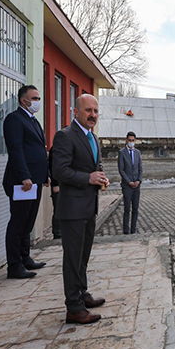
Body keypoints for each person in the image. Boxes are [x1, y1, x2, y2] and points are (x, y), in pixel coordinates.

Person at [51, 94, 108, 325]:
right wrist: (89, 178)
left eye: (95, 111)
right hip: (72, 209)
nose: (92, 115)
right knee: (73, 258)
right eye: (88, 110)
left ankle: (81, 294)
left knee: (83, 257)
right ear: (76, 112)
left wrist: (100, 178)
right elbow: (59, 171)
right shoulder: (65, 136)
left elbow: (94, 167)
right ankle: (73, 307)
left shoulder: (92, 137)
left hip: (88, 207)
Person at [2, 85, 49, 279]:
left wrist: (45, 174)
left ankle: (25, 257)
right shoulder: (14, 119)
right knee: (18, 222)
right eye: (35, 98)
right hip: (23, 182)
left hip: (35, 181)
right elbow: (16, 150)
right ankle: (14, 266)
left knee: (28, 221)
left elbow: (39, 150)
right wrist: (24, 176)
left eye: (38, 98)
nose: (38, 101)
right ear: (24, 100)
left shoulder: (33, 120)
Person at [118, 131, 142, 235]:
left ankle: (133, 229)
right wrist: (129, 182)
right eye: (130, 140)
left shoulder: (137, 153)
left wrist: (138, 180)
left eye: (133, 140)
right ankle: (126, 231)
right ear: (126, 141)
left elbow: (140, 168)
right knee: (127, 209)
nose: (131, 142)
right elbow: (121, 169)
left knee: (135, 209)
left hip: (136, 185)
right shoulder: (122, 153)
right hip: (127, 186)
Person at [48, 149, 61, 239]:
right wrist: (55, 184)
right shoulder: (56, 148)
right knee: (58, 210)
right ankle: (57, 233)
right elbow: (53, 166)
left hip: (68, 185)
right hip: (58, 186)